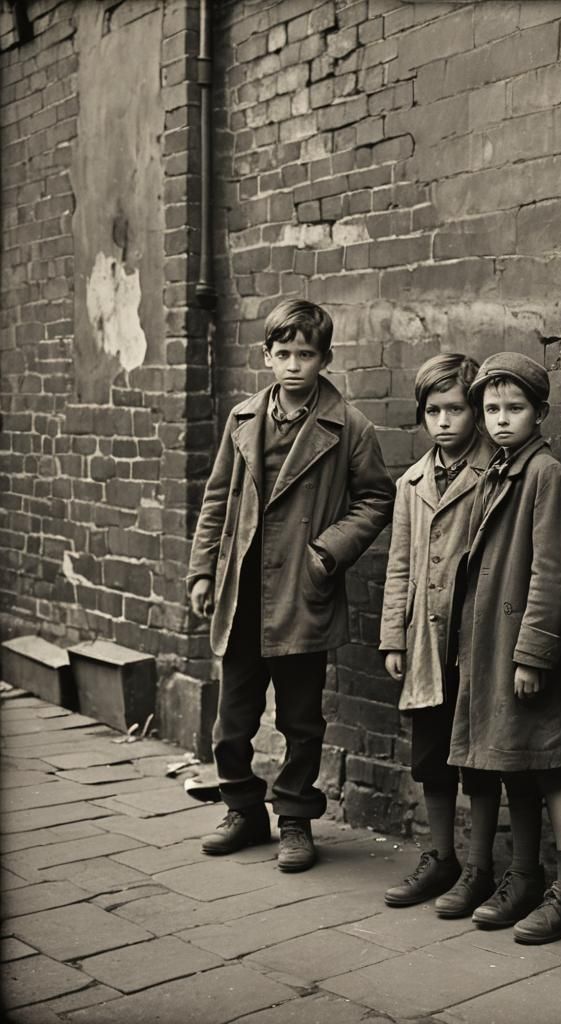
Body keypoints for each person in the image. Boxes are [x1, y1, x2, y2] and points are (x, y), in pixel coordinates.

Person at [187, 299, 395, 872]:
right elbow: (215, 499)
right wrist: (204, 570)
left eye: (306, 354)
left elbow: (377, 497)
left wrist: (327, 552)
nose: (294, 365)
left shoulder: (348, 426)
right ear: (267, 356)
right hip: (244, 591)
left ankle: (297, 820)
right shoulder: (242, 419)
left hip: (303, 593)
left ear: (324, 358)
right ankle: (242, 810)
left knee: (301, 719)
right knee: (232, 717)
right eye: (284, 354)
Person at [448, 352, 561, 945]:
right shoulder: (497, 470)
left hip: (527, 650)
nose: (502, 419)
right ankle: (524, 877)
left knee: (552, 767)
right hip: (491, 648)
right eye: (492, 409)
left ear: (540, 413)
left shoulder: (545, 474)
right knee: (514, 767)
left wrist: (532, 654)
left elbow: (554, 571)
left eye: (516, 408)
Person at [378, 353, 503, 917]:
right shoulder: (411, 482)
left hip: (475, 638)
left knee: (476, 756)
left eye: (455, 409)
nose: (444, 422)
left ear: (474, 411)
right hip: (426, 640)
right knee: (431, 754)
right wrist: (393, 640)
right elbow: (400, 565)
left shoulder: (497, 472)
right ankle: (441, 855)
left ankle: (480, 867)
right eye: (433, 411)